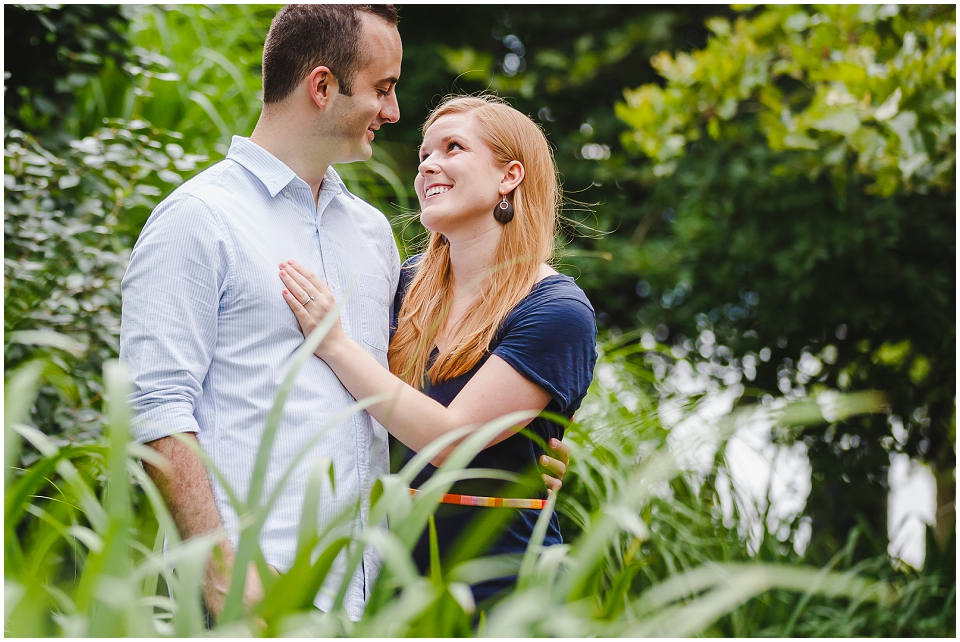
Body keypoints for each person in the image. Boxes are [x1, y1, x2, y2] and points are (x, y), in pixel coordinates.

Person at [119, 5, 568, 622]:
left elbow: (405, 395)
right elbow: (156, 409)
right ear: (323, 86)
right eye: (383, 89)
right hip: (254, 584)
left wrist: (514, 461)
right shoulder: (199, 218)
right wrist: (223, 569)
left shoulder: (373, 234)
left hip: (372, 595)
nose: (394, 112)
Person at [278, 94, 598, 605]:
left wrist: (334, 343)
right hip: (387, 583)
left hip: (500, 590)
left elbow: (454, 441)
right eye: (425, 153)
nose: (429, 164)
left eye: (453, 148)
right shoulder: (400, 288)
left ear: (509, 176)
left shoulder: (555, 309)